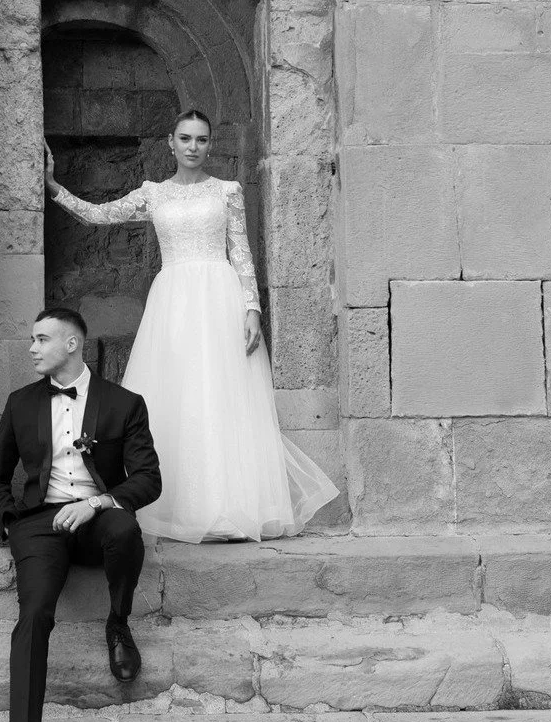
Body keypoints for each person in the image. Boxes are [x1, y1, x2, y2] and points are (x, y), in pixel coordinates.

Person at [44, 107, 338, 544]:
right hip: (174, 300)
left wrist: (252, 309)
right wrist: (54, 188)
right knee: (176, 394)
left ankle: (230, 508)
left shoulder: (228, 191)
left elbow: (240, 251)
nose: (193, 147)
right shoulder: (153, 194)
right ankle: (176, 507)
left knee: (222, 394)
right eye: (185, 139)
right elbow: (99, 215)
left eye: (201, 140)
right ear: (171, 142)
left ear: (210, 144)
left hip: (220, 297)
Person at [0, 306, 162, 722]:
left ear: (72, 344)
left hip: (95, 514)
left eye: (41, 339)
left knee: (124, 528)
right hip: (40, 523)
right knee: (34, 615)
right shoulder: (21, 403)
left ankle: (118, 622)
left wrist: (95, 503)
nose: (32, 348)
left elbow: (148, 480)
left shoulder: (123, 404)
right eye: (31, 339)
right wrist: (10, 521)